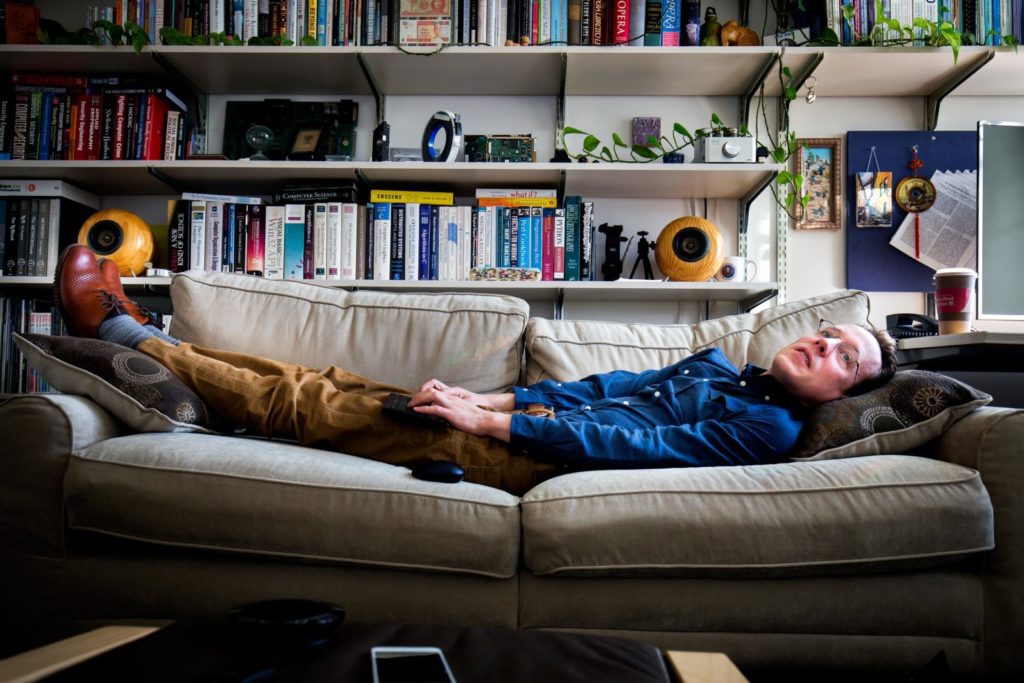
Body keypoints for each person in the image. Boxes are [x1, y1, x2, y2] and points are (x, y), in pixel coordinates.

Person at [53, 245, 898, 495]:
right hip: (515, 425)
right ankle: (153, 340)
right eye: (828, 335)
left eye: (844, 360)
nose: (824, 347)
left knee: (310, 402)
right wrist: (486, 392)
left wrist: (491, 424)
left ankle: (125, 336)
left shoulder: (768, 424)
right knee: (329, 380)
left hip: (525, 456)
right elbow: (600, 391)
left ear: (846, 393)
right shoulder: (726, 367)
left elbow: (634, 447)